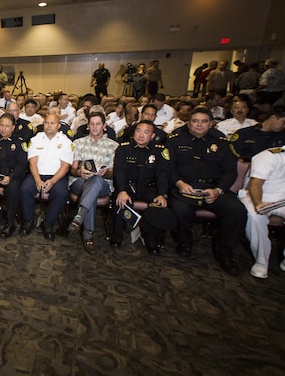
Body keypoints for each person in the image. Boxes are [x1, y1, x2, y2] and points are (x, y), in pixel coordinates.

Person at [166, 107, 247, 276]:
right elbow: (168, 167)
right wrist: (179, 183)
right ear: (189, 123)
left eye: (204, 121)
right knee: (179, 209)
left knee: (237, 210)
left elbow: (230, 171)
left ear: (211, 124)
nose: (199, 125)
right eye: (195, 121)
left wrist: (218, 190)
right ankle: (184, 242)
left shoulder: (223, 144)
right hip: (185, 188)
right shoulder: (175, 141)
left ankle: (225, 252)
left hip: (214, 188)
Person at [112, 121, 175, 253]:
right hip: (128, 187)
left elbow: (162, 174)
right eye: (138, 131)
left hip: (150, 189)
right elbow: (120, 172)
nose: (141, 135)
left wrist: (162, 194)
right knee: (119, 200)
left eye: (146, 132)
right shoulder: (123, 148)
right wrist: (122, 190)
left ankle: (152, 240)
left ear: (152, 136)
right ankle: (117, 236)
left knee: (157, 205)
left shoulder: (159, 151)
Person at [68, 111, 119, 254]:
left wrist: (104, 173)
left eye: (98, 124)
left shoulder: (113, 146)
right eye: (92, 124)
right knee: (91, 187)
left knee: (96, 180)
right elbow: (72, 170)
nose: (95, 127)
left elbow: (113, 172)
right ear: (88, 126)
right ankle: (87, 234)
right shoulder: (78, 143)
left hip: (102, 183)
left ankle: (80, 218)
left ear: (104, 126)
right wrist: (80, 172)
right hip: (79, 182)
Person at [19, 113, 74, 240]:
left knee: (61, 194)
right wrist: (37, 180)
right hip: (37, 174)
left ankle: (48, 222)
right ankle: (28, 220)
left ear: (59, 126)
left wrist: (53, 181)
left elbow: (65, 166)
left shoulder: (65, 141)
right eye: (46, 123)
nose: (49, 126)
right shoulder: (36, 139)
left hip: (57, 176)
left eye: (52, 123)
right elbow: (32, 162)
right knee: (24, 189)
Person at [240, 146, 285, 278]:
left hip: (281, 199)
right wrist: (258, 203)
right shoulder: (270, 156)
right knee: (255, 216)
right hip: (256, 196)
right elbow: (255, 184)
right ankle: (261, 261)